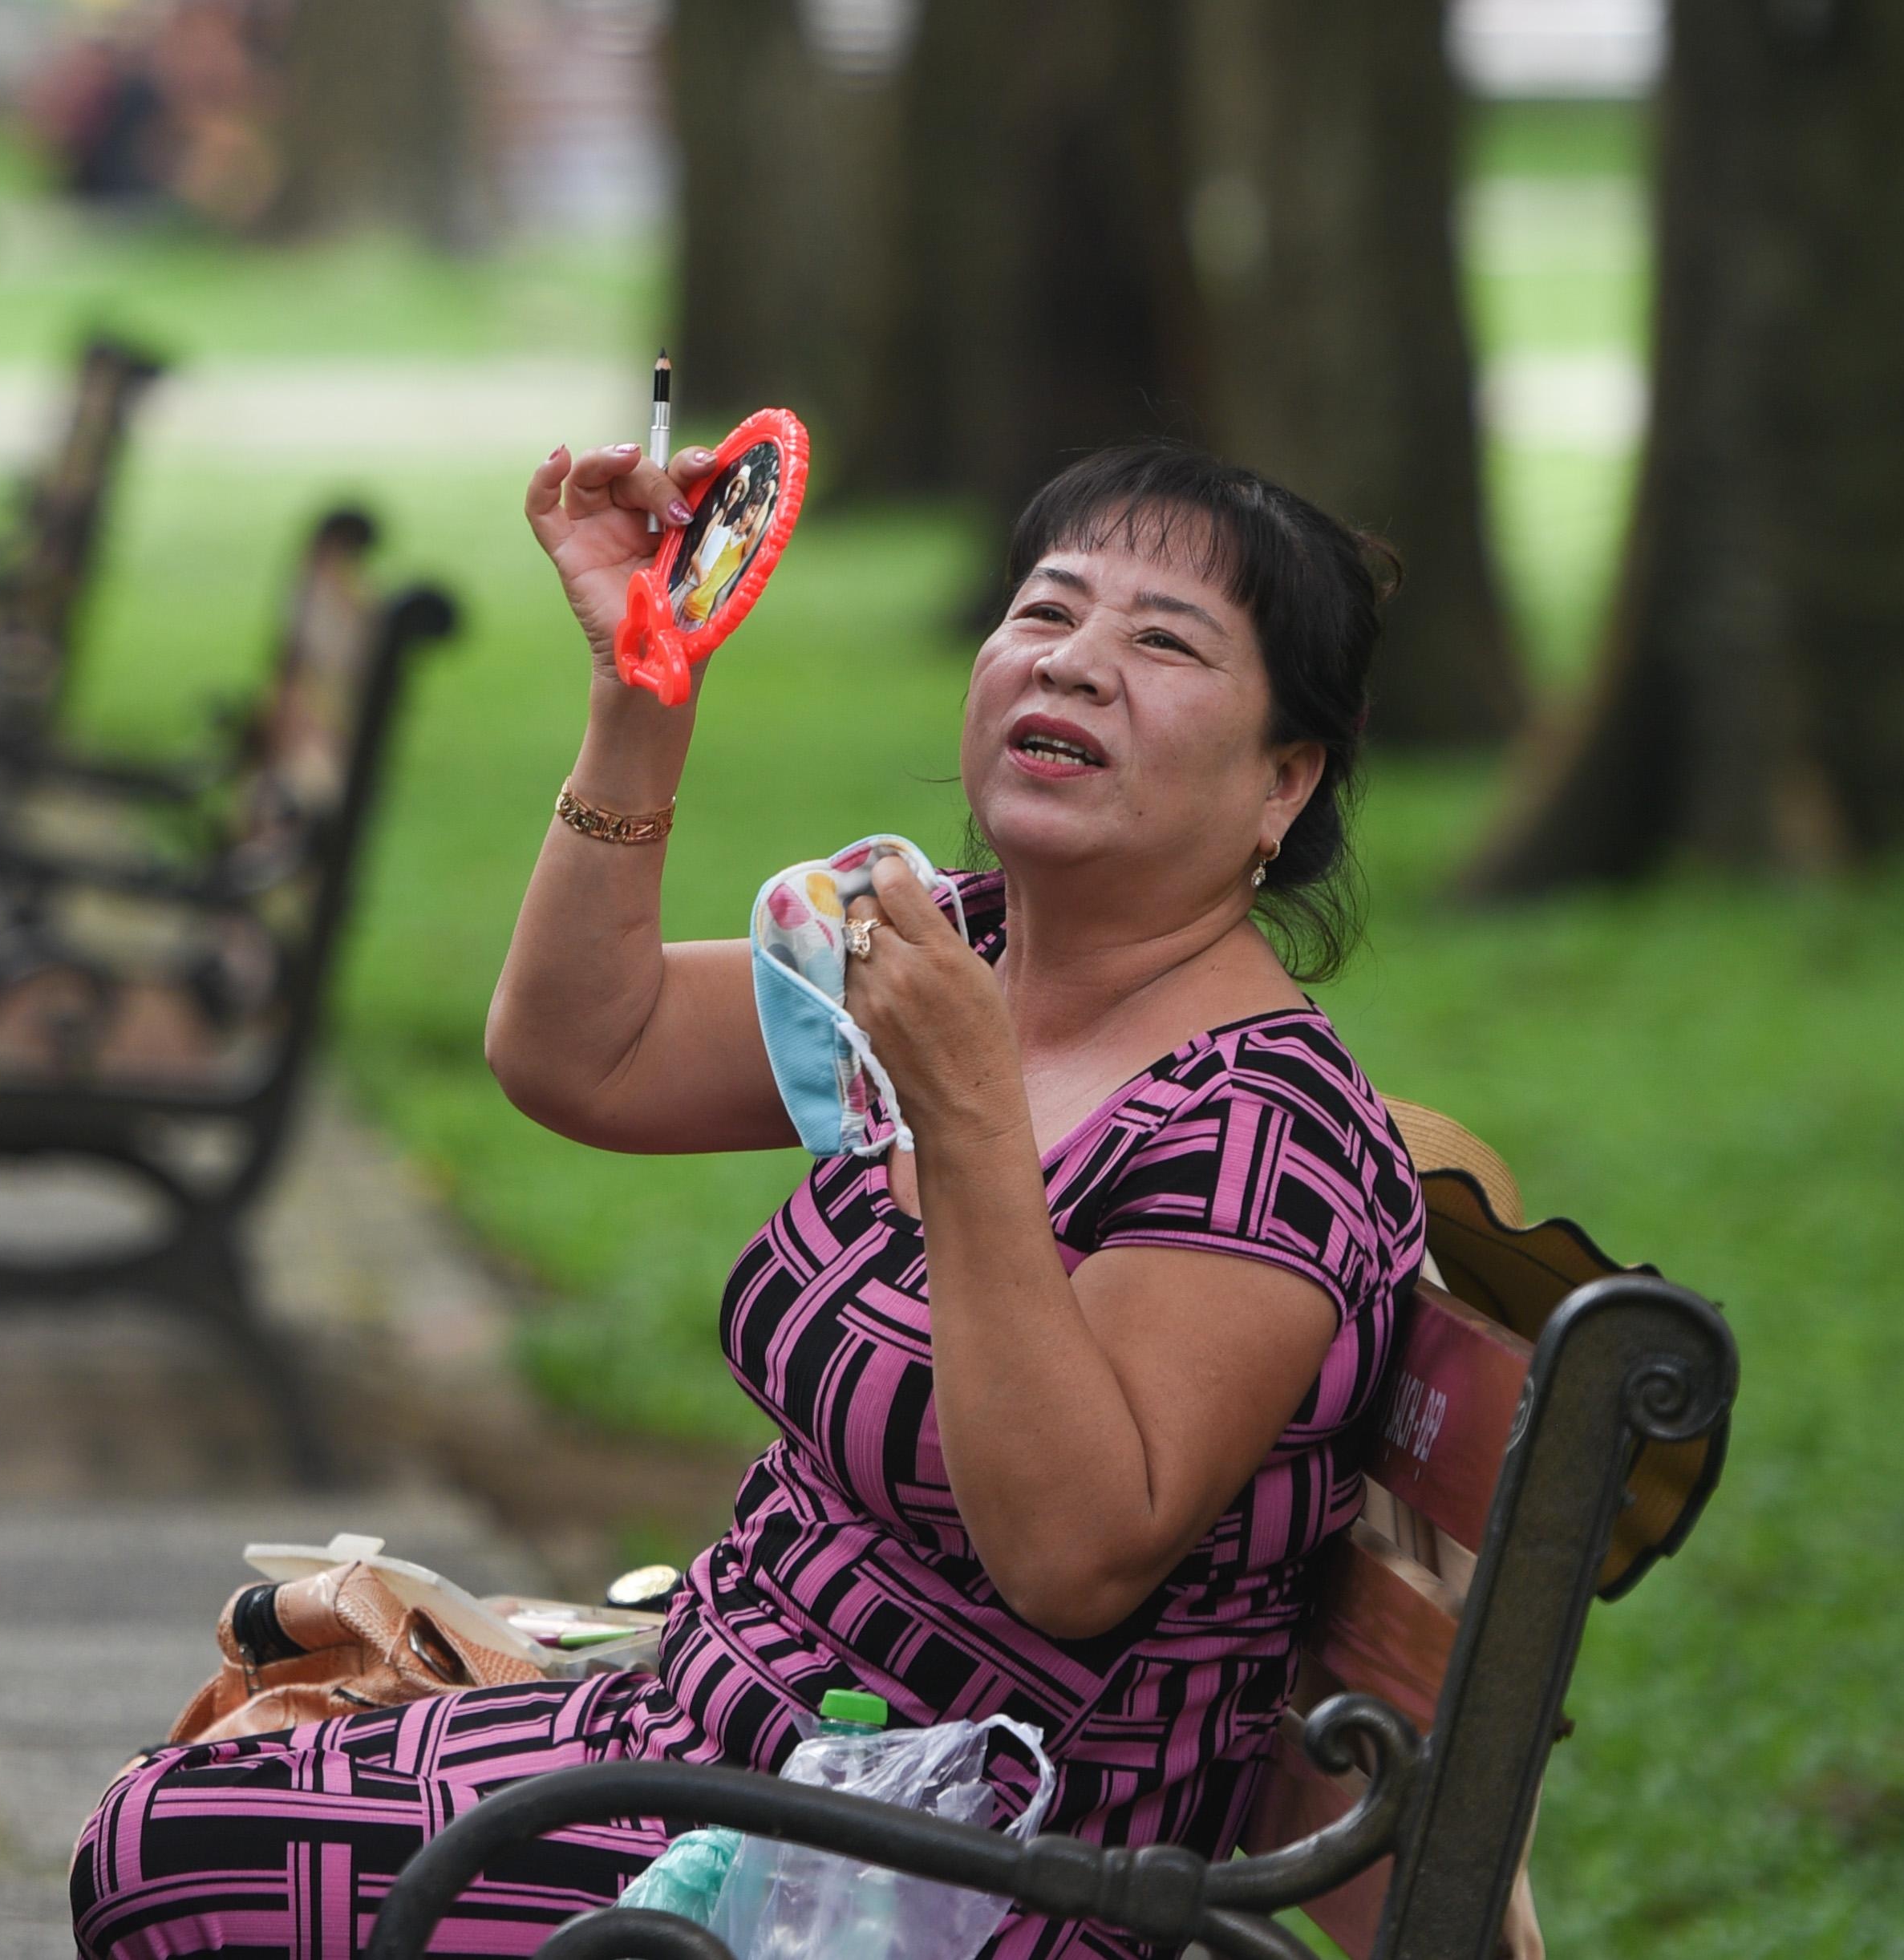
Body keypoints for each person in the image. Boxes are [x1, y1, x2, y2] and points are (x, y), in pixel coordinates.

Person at [71, 438, 1425, 1960]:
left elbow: (1072, 1550)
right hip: (723, 1746)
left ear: (1285, 781)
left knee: (171, 1855)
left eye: (1163, 641)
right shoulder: (950, 951)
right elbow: (588, 1052)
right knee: (184, 1794)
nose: (1079, 663)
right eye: (1047, 612)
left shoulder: (1262, 1132)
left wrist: (970, 1114)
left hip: (951, 1867)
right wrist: (642, 696)